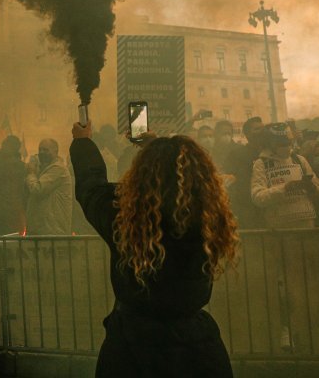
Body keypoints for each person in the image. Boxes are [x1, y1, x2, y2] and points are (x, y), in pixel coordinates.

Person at [70, 121, 237, 377]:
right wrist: (158, 152)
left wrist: (83, 143)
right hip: (197, 349)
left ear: (142, 175)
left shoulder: (127, 219)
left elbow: (91, 188)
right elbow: (173, 185)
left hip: (134, 349)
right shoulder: (208, 217)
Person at [250, 123, 319, 229]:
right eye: (281, 143)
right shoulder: (261, 164)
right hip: (279, 229)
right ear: (269, 143)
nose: (286, 146)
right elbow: (258, 197)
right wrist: (285, 188)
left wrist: (313, 187)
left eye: (289, 142)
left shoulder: (299, 160)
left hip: (306, 225)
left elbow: (318, 187)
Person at [223, 116, 265, 228]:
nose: (261, 132)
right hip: (247, 207)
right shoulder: (237, 154)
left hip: (269, 205)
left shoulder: (272, 152)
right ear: (247, 134)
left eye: (262, 128)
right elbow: (229, 177)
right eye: (257, 129)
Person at [25, 138, 72, 235]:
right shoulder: (44, 169)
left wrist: (31, 173)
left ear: (55, 151)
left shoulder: (58, 169)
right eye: (40, 150)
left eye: (46, 150)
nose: (42, 153)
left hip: (53, 232)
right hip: (43, 231)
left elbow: (37, 189)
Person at [0, 135, 28, 235]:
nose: (2, 146)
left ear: (12, 147)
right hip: (5, 209)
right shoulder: (20, 165)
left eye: (5, 144)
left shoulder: (7, 164)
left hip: (9, 210)